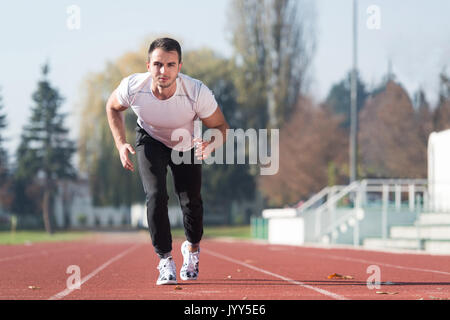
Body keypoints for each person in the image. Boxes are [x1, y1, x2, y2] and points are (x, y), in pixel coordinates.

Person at [106, 38, 229, 285]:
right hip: (150, 140)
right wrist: (120, 143)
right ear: (148, 65)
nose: (164, 71)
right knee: (155, 195)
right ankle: (165, 260)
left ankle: (192, 250)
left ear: (179, 67)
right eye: (158, 64)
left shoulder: (196, 92)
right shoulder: (133, 86)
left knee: (190, 201)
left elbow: (221, 126)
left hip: (185, 143)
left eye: (170, 65)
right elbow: (113, 107)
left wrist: (211, 144)